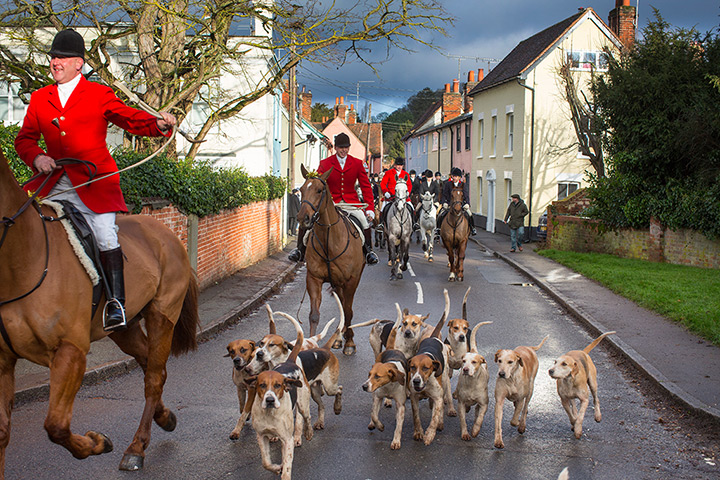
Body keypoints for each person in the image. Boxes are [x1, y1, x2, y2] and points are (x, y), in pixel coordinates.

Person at [14, 29, 177, 332]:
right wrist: (37, 158)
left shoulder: (98, 94)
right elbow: (24, 139)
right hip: (54, 182)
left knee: (105, 235)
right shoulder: (40, 98)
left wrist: (156, 124)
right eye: (53, 58)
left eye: (62, 58)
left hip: (93, 183)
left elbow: (129, 118)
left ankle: (116, 302)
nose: (55, 63)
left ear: (78, 62)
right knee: (24, 227)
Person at [288, 132, 378, 265]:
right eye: (341, 147)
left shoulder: (357, 163)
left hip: (351, 203)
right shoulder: (325, 163)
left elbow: (366, 188)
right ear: (335, 148)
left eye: (346, 147)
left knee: (363, 222)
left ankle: (369, 251)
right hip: (331, 203)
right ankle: (299, 250)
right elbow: (317, 183)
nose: (344, 150)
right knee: (308, 219)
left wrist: (369, 208)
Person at [436, 167, 477, 236]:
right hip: (450, 204)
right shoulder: (448, 184)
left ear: (459, 177)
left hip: (461, 205)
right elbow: (444, 194)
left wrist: (467, 203)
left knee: (469, 214)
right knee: (441, 214)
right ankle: (438, 229)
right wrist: (444, 203)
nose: (454, 178)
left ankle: (473, 228)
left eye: (455, 176)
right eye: (453, 176)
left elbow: (466, 195)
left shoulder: (463, 185)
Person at [379, 157, 415, 229]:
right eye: (398, 165)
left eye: (401, 165)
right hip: (391, 197)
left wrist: (408, 192)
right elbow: (383, 184)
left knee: (412, 208)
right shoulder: (388, 173)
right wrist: (385, 192)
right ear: (395, 165)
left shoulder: (406, 174)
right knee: (383, 208)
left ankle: (414, 223)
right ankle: (381, 224)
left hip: (403, 198)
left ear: (403, 166)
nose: (399, 167)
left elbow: (409, 185)